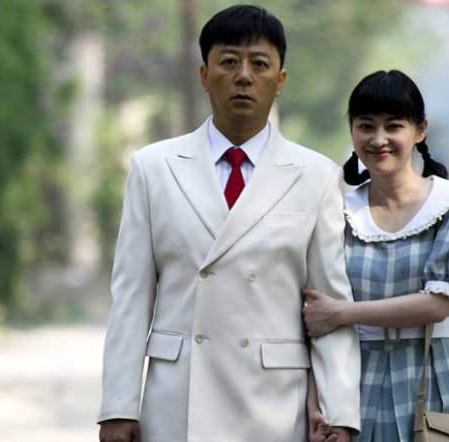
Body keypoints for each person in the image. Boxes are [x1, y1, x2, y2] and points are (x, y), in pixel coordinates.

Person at [97, 5, 361, 442]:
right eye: (229, 61)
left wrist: (341, 413)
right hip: (180, 400)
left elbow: (329, 306)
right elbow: (130, 298)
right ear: (204, 75)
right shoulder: (154, 168)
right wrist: (117, 407)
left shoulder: (315, 176)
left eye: (259, 64)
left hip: (274, 404)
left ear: (280, 80)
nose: (243, 76)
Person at [303, 70, 449, 442]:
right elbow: (313, 322)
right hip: (352, 387)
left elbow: (438, 304)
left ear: (420, 130)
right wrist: (314, 403)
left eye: (393, 126)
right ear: (351, 131)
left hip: (436, 381)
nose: (379, 139)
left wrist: (342, 313)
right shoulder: (335, 208)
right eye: (366, 126)